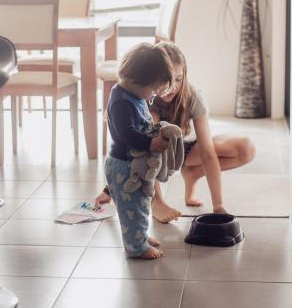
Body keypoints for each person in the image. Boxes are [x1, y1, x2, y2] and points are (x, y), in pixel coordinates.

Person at [96, 42, 256, 223]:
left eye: (178, 79)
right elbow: (129, 152)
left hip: (187, 149)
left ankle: (193, 174)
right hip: (159, 153)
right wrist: (110, 190)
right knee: (151, 140)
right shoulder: (144, 98)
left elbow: (207, 152)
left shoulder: (194, 96)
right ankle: (157, 201)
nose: (171, 87)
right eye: (167, 79)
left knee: (246, 148)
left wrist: (218, 205)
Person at [104, 43, 174, 259]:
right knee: (132, 209)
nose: (152, 95)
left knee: (141, 204)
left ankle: (139, 235)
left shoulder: (134, 95)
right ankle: (136, 247)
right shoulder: (121, 103)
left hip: (134, 165)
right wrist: (151, 144)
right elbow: (126, 134)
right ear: (137, 80)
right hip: (124, 166)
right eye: (152, 89)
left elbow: (142, 124)